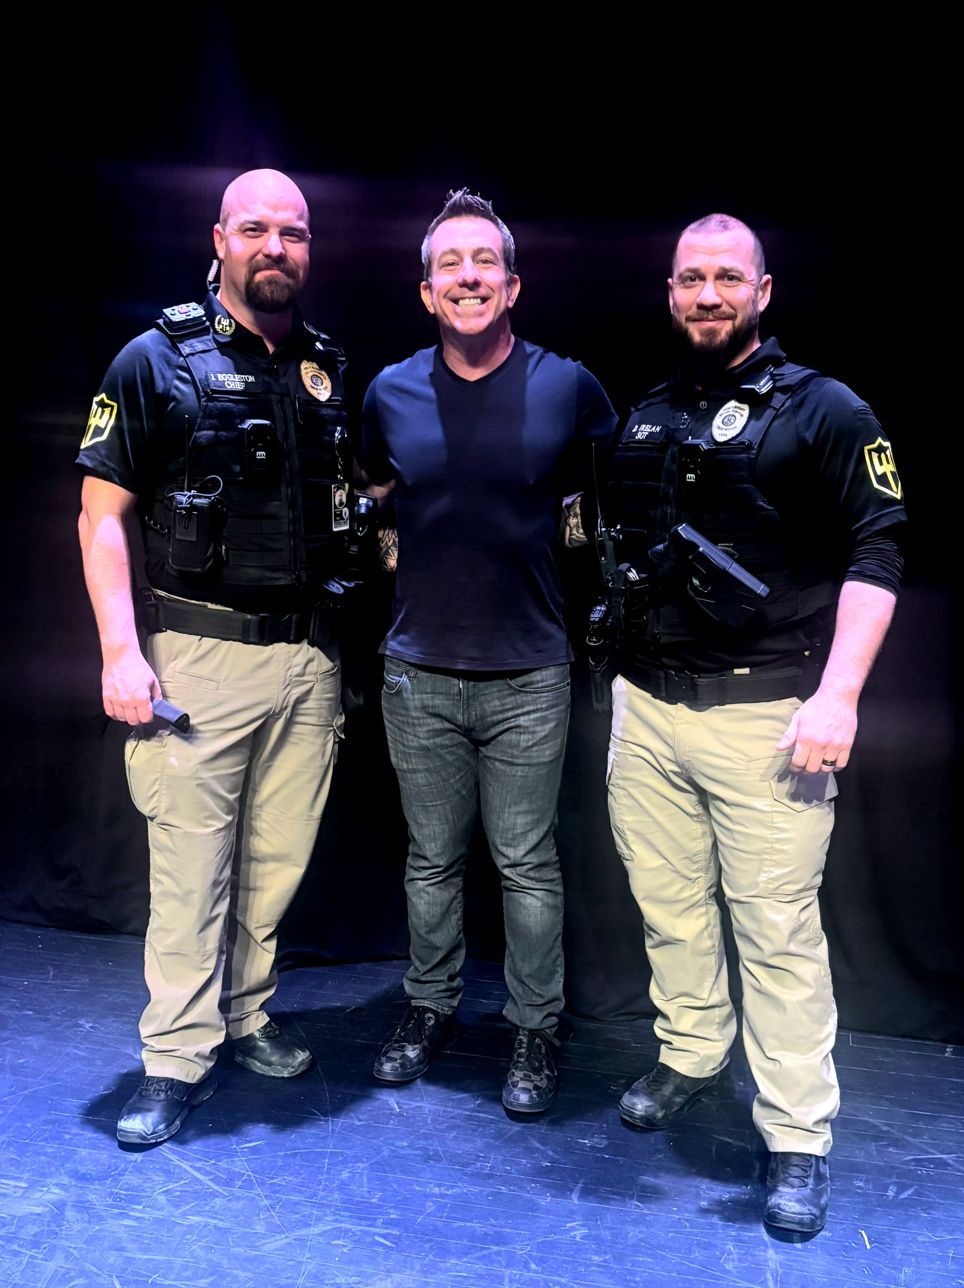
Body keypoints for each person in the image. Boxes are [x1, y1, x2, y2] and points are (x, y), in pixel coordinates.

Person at [600, 213, 906, 1231]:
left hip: (768, 711)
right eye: (689, 277)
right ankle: (690, 1054)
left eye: (726, 277)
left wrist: (840, 696)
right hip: (646, 708)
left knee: (775, 933)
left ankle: (796, 1134)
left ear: (763, 290)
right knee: (670, 905)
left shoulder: (824, 410)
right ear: (671, 291)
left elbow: (877, 551)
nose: (705, 294)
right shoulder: (647, 412)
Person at [77, 169, 355, 1146]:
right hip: (196, 655)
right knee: (191, 871)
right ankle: (173, 1057)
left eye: (294, 231)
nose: (275, 246)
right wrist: (121, 652)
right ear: (220, 238)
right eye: (255, 229)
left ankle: (246, 1017)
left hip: (308, 664)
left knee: (272, 867)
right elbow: (100, 515)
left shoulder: (327, 367)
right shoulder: (154, 360)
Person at [359, 189, 617, 1114]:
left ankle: (535, 1031)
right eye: (449, 265)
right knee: (430, 861)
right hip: (416, 670)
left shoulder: (568, 387)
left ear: (512, 284)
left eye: (484, 263)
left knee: (526, 862)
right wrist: (404, 579)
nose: (467, 277)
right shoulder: (388, 391)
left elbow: (600, 504)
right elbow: (377, 501)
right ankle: (428, 1008)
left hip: (530, 673)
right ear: (427, 291)